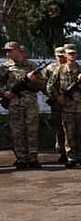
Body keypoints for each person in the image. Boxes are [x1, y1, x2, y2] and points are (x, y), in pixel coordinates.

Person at [0, 41, 45, 169]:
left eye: (10, 50)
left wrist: (33, 81)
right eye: (6, 51)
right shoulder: (5, 67)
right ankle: (21, 159)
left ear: (18, 50)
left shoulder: (31, 66)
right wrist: (5, 93)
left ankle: (33, 158)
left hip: (30, 103)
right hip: (14, 103)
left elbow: (41, 86)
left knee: (32, 130)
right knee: (17, 132)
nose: (7, 53)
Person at [46, 44, 81, 168]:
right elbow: (50, 86)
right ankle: (71, 157)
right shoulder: (59, 70)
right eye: (69, 54)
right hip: (67, 108)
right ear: (65, 55)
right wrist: (58, 97)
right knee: (69, 133)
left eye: (74, 54)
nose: (72, 56)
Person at [44, 46, 68, 163]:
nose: (60, 58)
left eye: (62, 56)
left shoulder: (69, 67)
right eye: (58, 56)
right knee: (59, 128)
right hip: (56, 103)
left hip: (69, 102)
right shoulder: (50, 68)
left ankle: (71, 152)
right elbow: (45, 85)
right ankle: (62, 152)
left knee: (69, 128)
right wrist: (55, 97)